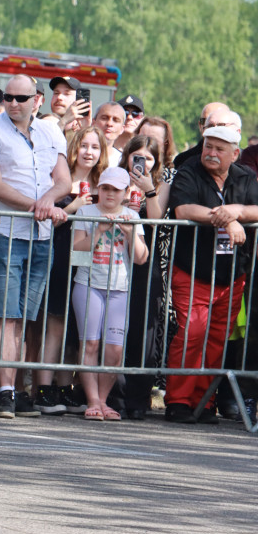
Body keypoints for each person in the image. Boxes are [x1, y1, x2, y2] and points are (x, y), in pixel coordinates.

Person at [0, 74, 70, 419]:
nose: (13, 103)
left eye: (20, 98)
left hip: (42, 237)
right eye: (7, 97)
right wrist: (37, 206)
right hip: (6, 234)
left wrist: (48, 200)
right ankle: (6, 392)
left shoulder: (50, 131)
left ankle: (15, 389)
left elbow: (65, 180)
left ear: (36, 100)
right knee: (4, 316)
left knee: (24, 319)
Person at [165, 122, 258, 423]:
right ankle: (178, 400)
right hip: (193, 270)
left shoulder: (246, 176)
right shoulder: (189, 170)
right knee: (193, 333)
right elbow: (184, 210)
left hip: (232, 275)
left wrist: (238, 212)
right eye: (208, 146)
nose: (212, 153)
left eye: (220, 148)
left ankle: (203, 402)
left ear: (235, 153)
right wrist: (225, 220)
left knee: (217, 339)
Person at [34, 126, 109, 415]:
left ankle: (66, 386)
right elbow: (48, 219)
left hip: (91, 264)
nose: (89, 152)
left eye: (95, 146)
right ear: (73, 149)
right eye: (84, 146)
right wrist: (76, 205)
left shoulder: (104, 184)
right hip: (59, 257)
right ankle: (44, 388)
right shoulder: (60, 183)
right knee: (55, 325)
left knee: (78, 329)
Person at [71, 166, 148, 421]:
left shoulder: (131, 216)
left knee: (115, 350)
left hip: (120, 288)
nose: (109, 194)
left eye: (115, 190)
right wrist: (99, 230)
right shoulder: (86, 211)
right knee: (90, 344)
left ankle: (104, 400)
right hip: (89, 284)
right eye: (105, 188)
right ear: (98, 189)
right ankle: (92, 400)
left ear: (126, 192)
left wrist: (130, 232)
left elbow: (141, 258)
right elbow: (77, 252)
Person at [117, 134, 170, 419]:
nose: (142, 162)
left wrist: (148, 190)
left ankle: (137, 398)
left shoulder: (161, 184)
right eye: (137, 156)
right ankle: (113, 393)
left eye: (148, 158)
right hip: (112, 259)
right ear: (126, 156)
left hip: (144, 263)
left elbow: (156, 220)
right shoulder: (114, 177)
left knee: (141, 328)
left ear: (156, 162)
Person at [174, 102, 230, 169]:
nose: (214, 128)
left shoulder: (242, 160)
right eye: (207, 122)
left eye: (220, 124)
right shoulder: (183, 160)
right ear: (200, 125)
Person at [94, 101, 125, 167]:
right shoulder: (80, 155)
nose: (109, 123)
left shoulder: (123, 162)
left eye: (116, 120)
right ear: (93, 123)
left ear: (122, 129)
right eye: (104, 118)